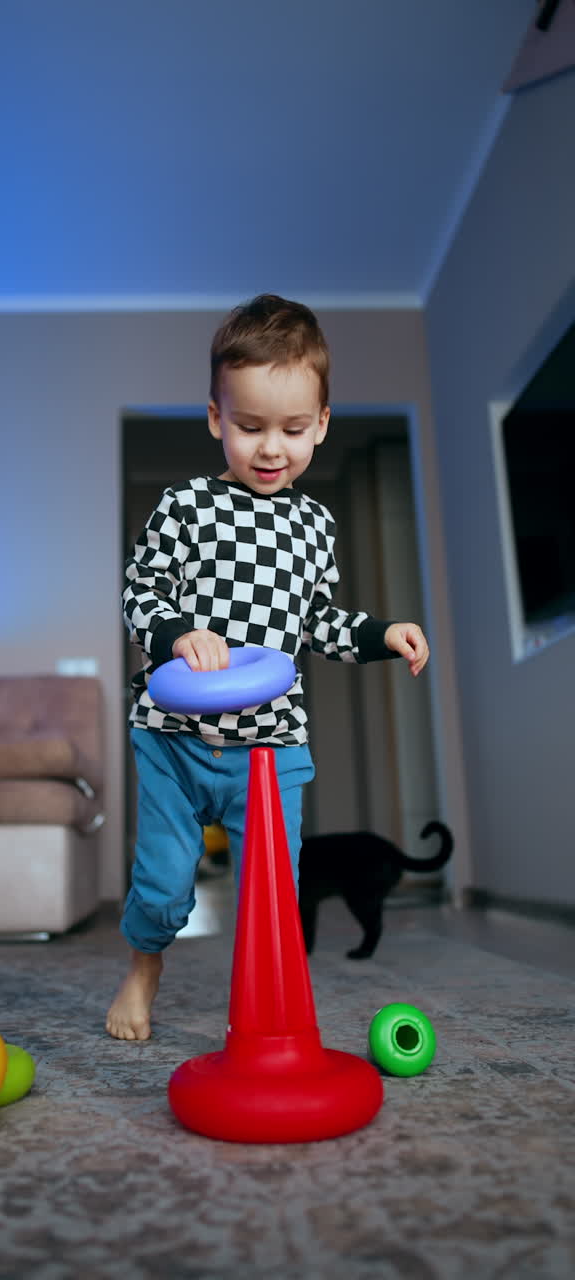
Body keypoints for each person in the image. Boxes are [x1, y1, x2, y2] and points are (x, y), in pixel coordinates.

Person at [107, 294, 429, 1040]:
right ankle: (143, 967)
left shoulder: (316, 523)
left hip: (272, 745)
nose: (270, 448)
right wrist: (179, 634)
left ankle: (260, 1011)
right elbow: (139, 594)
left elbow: (317, 622)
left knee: (273, 896)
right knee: (162, 884)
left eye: (291, 428)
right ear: (218, 418)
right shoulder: (186, 505)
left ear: (321, 423)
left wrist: (386, 633)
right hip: (176, 737)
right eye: (249, 427)